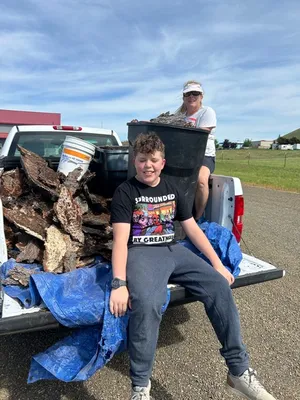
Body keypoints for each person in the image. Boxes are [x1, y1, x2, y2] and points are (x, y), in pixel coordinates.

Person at [109, 133, 276, 400]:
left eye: (153, 160)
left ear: (162, 162)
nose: (148, 165)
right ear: (135, 161)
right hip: (140, 253)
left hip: (174, 250)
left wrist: (217, 264)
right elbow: (119, 241)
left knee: (219, 286)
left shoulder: (172, 188)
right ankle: (140, 388)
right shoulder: (125, 192)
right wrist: (119, 283)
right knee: (148, 303)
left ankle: (239, 372)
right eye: (142, 160)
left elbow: (192, 228)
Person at [175, 80, 217, 221]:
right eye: (188, 94)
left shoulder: (207, 112)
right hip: (184, 157)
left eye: (195, 93)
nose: (192, 96)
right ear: (183, 97)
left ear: (201, 96)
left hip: (204, 156)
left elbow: (200, 134)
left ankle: (197, 218)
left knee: (201, 180)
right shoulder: (178, 116)